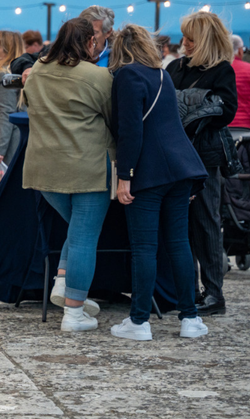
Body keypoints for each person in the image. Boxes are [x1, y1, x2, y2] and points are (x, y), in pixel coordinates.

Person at [108, 24, 209, 341]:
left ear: (120, 49)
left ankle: (139, 322)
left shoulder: (127, 76)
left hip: (149, 173)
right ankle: (190, 319)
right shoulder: (162, 74)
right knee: (179, 244)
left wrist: (124, 176)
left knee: (145, 248)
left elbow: (131, 131)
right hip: (180, 169)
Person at [23, 18, 113, 332]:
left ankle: (63, 284)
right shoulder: (98, 75)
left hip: (43, 168)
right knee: (84, 238)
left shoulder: (36, 71)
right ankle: (74, 313)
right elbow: (114, 119)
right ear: (90, 43)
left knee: (75, 232)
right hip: (87, 167)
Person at [166, 11, 238, 316]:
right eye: (184, 37)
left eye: (191, 38)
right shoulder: (175, 67)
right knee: (178, 224)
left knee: (205, 222)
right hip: (178, 154)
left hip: (204, 157)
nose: (184, 43)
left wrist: (185, 107)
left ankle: (213, 293)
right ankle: (189, 290)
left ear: (205, 40)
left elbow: (225, 111)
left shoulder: (222, 71)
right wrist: (197, 103)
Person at [0, 31, 24, 166]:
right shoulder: (15, 75)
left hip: (9, 149)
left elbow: (7, 113)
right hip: (19, 142)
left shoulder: (3, 76)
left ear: (7, 52)